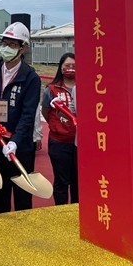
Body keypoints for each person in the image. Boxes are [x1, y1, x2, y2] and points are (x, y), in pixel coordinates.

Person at [0, 22, 41, 213]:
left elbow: (28, 115)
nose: (7, 48)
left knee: (22, 197)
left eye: (13, 44)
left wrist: (15, 141)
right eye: (5, 43)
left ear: (23, 47)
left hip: (19, 148)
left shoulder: (30, 77)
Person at [41, 53, 78, 204]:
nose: (70, 69)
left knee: (78, 181)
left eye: (74, 66)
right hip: (59, 142)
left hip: (78, 143)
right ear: (61, 68)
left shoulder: (85, 86)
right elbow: (45, 111)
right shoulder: (51, 89)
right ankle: (61, 211)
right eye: (67, 66)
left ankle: (77, 211)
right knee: (61, 181)